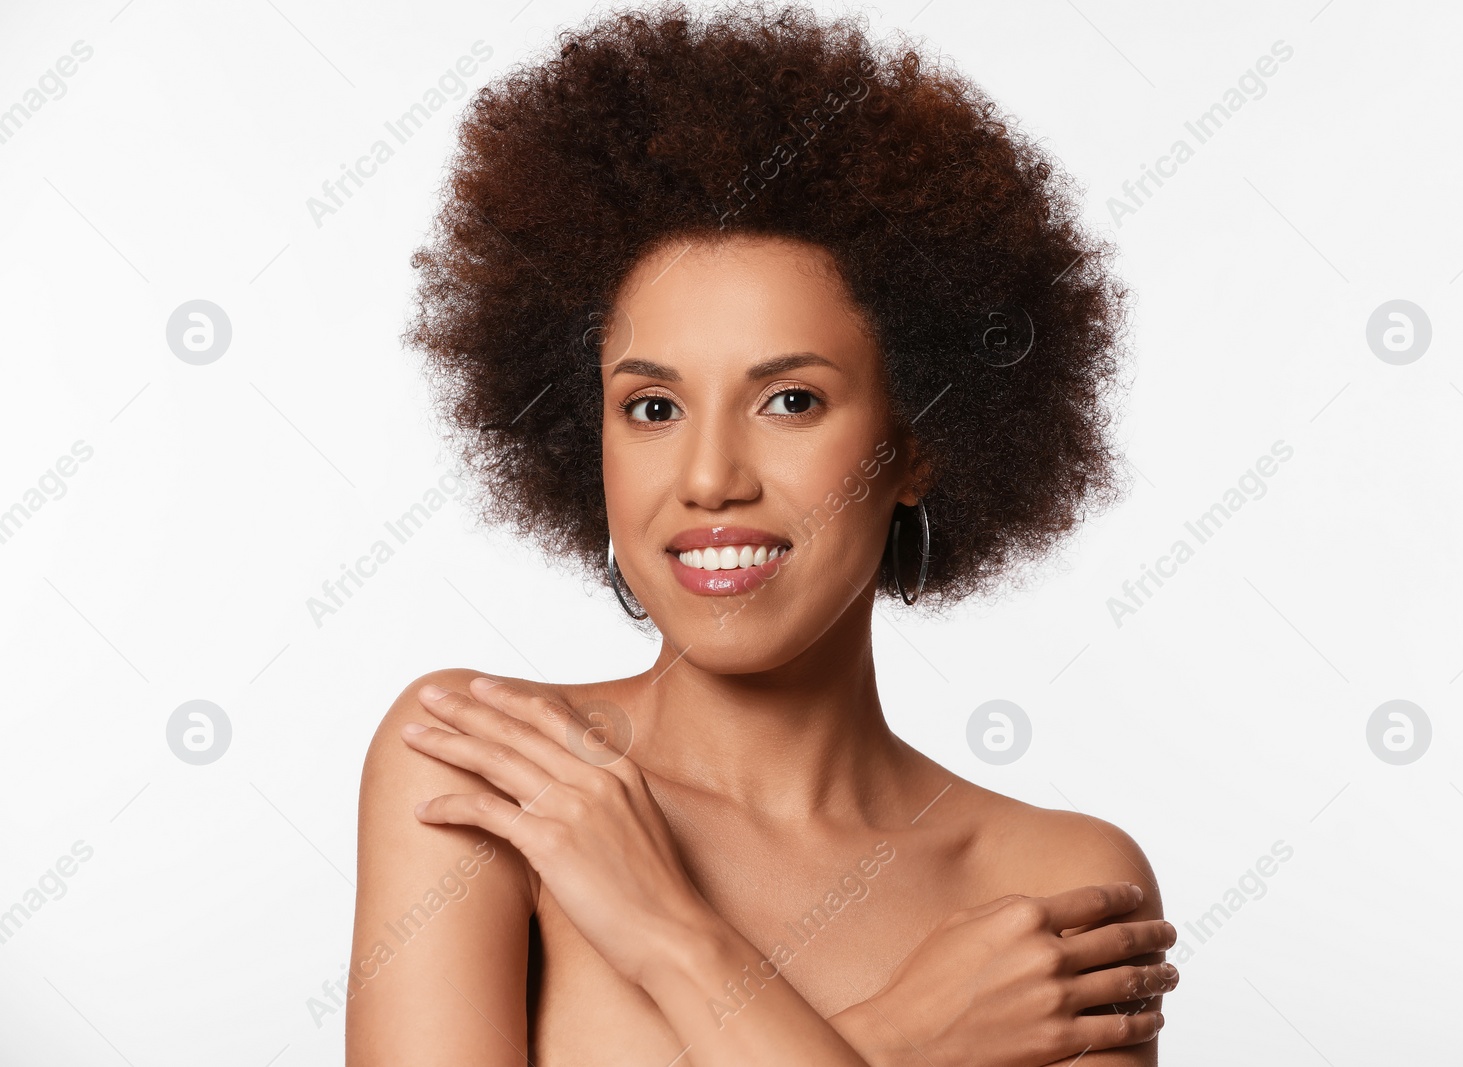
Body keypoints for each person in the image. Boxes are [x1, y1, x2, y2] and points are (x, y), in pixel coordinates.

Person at [349, 3, 1175, 1063]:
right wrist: (903, 1039)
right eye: (652, 408)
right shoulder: (489, 772)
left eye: (789, 400)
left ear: (919, 437)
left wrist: (668, 934)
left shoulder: (1054, 887)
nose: (707, 477)